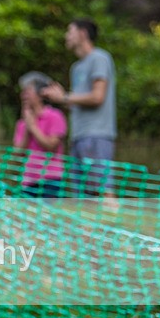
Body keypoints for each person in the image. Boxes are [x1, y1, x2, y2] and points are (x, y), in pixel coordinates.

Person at [41, 18, 117, 197]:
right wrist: (60, 97)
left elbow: (98, 96)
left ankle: (114, 223)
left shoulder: (99, 58)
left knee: (103, 190)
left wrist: (65, 96)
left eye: (70, 31)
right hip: (78, 136)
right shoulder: (76, 68)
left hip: (97, 134)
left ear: (82, 34)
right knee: (83, 195)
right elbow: (77, 100)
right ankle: (90, 227)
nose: (66, 36)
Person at [13, 71, 68, 198]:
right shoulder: (21, 124)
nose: (23, 95)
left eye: (28, 91)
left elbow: (51, 146)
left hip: (51, 179)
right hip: (28, 181)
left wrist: (33, 127)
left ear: (40, 93)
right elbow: (18, 153)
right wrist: (27, 127)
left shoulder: (55, 116)